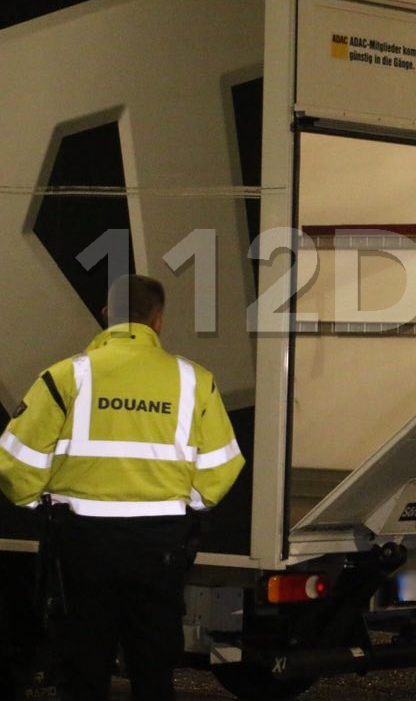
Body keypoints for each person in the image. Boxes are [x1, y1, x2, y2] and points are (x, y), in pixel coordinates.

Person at [0, 274, 245, 701]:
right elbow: (224, 464)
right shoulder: (194, 380)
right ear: (158, 319)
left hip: (81, 541)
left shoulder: (65, 377)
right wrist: (188, 502)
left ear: (105, 315)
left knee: (83, 662)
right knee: (153, 663)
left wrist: (31, 497)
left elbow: (14, 461)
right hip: (160, 541)